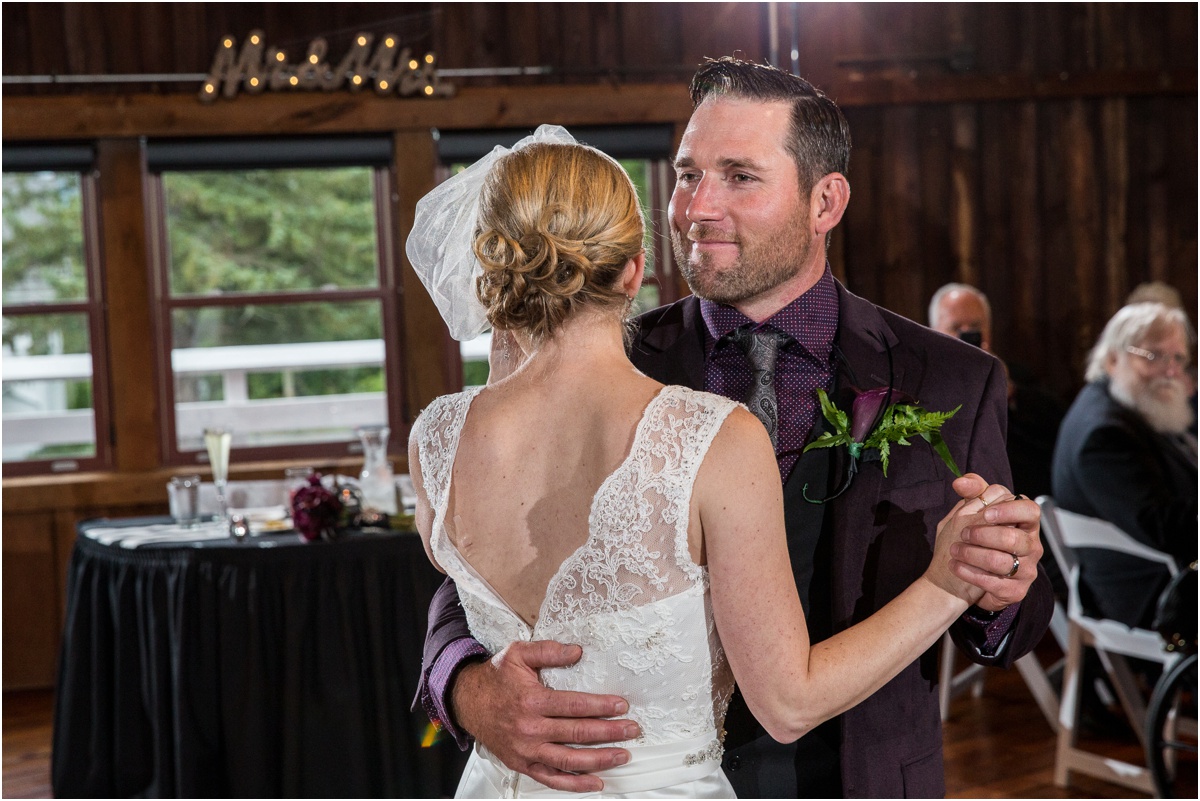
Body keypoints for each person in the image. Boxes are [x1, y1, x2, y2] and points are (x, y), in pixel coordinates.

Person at [417, 59, 1054, 799]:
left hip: (860, 777)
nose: (696, 207)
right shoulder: (598, 358)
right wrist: (464, 683)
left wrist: (997, 578)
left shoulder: (948, 378)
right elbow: (468, 576)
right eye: (687, 175)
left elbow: (1021, 616)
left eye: (739, 177)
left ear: (825, 201)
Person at [1052, 302, 1197, 628]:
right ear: (1114, 358)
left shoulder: (1129, 404)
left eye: (1178, 358)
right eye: (1155, 356)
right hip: (1151, 591)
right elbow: (1161, 525)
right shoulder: (1104, 433)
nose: (1171, 371)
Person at [927, 283, 1066, 502]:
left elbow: (1055, 433)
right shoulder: (922, 386)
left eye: (974, 327)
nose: (966, 335)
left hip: (1020, 494)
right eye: (956, 328)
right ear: (934, 332)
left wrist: (1009, 394)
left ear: (988, 330)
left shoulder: (1013, 376)